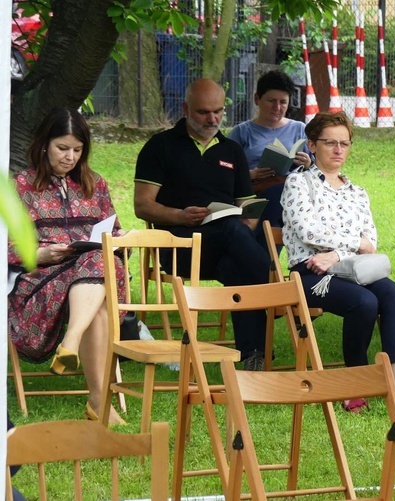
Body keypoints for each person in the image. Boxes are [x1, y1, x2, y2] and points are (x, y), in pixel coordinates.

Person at [280, 111, 395, 418]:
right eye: (330, 142)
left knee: (393, 295)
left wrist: (339, 253)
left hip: (354, 269)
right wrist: (350, 245)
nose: (338, 150)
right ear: (313, 145)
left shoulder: (357, 192)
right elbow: (309, 232)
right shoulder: (298, 183)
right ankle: (354, 384)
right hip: (310, 272)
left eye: (345, 143)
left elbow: (372, 241)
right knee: (364, 302)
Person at [134, 78, 271, 371]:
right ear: (185, 109)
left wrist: (247, 224)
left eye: (218, 111)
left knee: (240, 262)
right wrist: (179, 216)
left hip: (227, 247)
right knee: (239, 240)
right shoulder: (160, 146)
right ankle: (278, 293)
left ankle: (252, 355)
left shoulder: (231, 150)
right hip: (179, 247)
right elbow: (142, 205)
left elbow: (247, 205)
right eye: (203, 112)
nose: (213, 119)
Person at [7, 108, 126, 425]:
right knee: (98, 294)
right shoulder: (19, 186)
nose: (70, 156)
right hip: (41, 281)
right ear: (45, 144)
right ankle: (100, 404)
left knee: (98, 258)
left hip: (91, 276)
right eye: (63, 148)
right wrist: (41, 254)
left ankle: (72, 344)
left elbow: (112, 231)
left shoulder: (95, 185)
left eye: (77, 149)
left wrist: (120, 237)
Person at [228, 70, 312, 230]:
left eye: (283, 102)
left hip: (291, 194)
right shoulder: (242, 132)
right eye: (271, 101)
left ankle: (257, 249)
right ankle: (261, 250)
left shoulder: (300, 129)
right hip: (254, 193)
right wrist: (250, 174)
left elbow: (318, 172)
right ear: (256, 99)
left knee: (285, 192)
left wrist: (307, 164)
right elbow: (225, 171)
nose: (277, 107)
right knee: (279, 199)